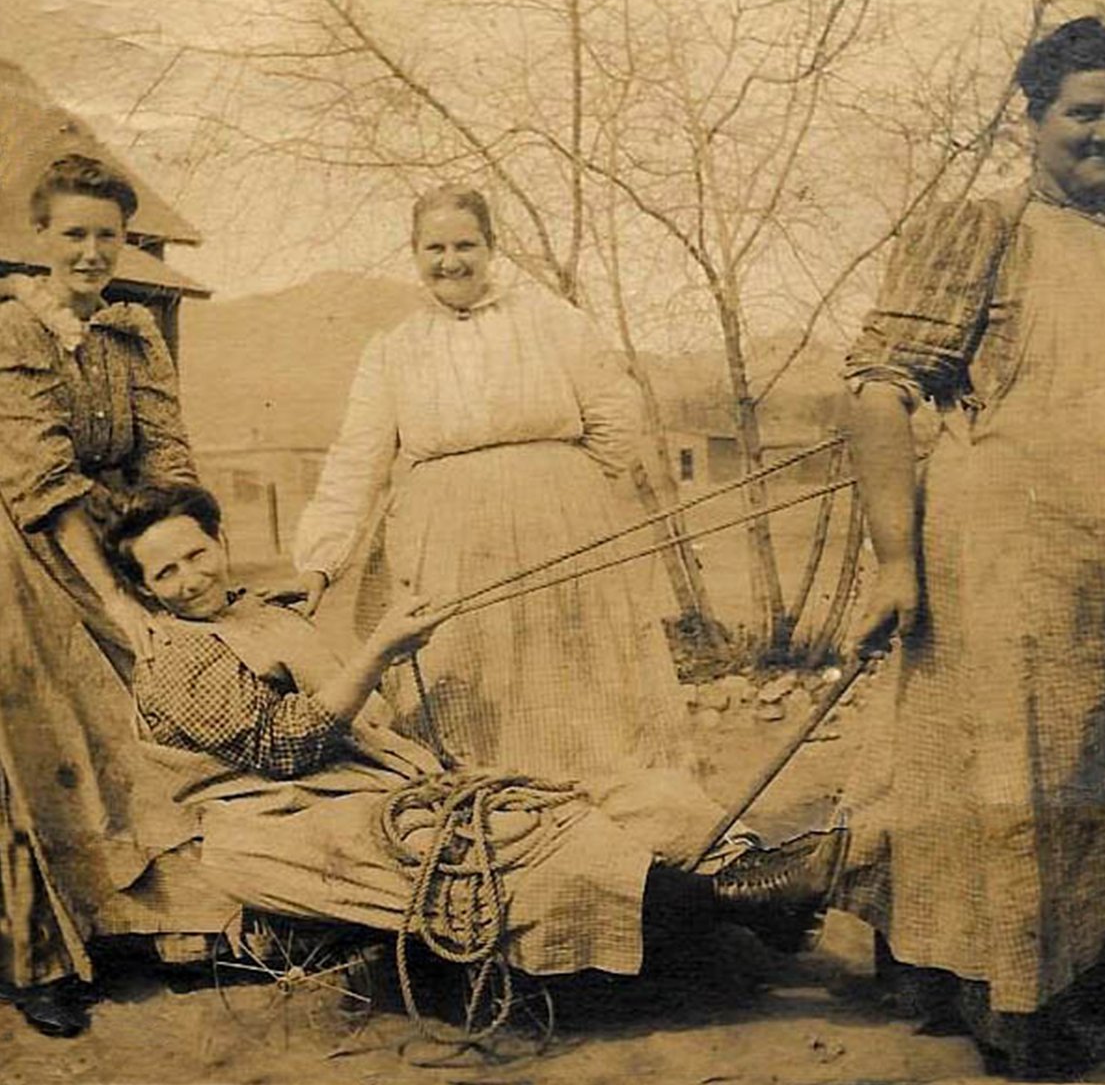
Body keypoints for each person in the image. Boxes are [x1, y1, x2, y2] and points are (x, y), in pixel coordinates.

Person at [104, 482, 848, 986]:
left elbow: (345, 716)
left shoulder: (259, 613)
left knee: (608, 792)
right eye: (164, 573)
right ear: (144, 591)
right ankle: (731, 900)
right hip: (275, 824)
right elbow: (283, 747)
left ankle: (750, 872)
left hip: (351, 788)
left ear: (218, 540)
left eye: (196, 553)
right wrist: (375, 652)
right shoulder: (174, 660)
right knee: (523, 847)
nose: (189, 578)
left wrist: (393, 662)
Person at [841, 17, 1105, 1078]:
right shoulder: (981, 228)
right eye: (1083, 111)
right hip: (1006, 560)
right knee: (1011, 772)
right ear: (1031, 118)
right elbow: (876, 391)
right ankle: (1006, 993)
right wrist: (895, 562)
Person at [287, 186, 694, 782]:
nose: (450, 261)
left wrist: (559, 486)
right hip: (448, 549)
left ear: (491, 247)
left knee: (579, 693)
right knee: (468, 694)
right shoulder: (395, 350)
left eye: (465, 245)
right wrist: (319, 563)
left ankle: (620, 832)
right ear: (414, 253)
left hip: (560, 533)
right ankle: (501, 831)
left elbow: (615, 413)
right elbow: (357, 460)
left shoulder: (552, 322)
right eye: (435, 248)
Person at [0, 155, 200, 1036]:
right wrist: (117, 603)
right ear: (39, 239)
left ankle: (156, 929)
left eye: (105, 237)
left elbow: (166, 458)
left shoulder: (133, 332)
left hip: (113, 538)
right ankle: (37, 959)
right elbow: (40, 481)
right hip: (26, 551)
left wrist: (175, 565)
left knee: (153, 716)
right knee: (46, 740)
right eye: (73, 234)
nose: (89, 252)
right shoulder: (12, 332)